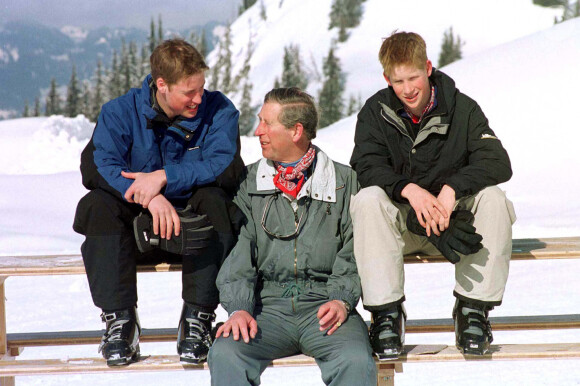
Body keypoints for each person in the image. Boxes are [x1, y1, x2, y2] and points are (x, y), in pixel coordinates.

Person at [72, 39, 244, 366]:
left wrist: (164, 177)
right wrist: (149, 196)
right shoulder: (119, 112)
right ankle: (120, 322)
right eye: (188, 92)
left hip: (197, 231)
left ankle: (198, 319)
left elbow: (226, 165)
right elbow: (97, 166)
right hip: (134, 231)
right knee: (97, 205)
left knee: (216, 200)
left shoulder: (219, 109)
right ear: (161, 85)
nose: (198, 98)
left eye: (201, 89)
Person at [349, 31, 516, 358]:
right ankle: (386, 315)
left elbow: (497, 161)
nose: (408, 88)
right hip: (401, 229)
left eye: (413, 77)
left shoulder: (463, 108)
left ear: (427, 67)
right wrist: (410, 192)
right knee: (367, 200)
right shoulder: (375, 112)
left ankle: (472, 310)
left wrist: (451, 191)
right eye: (398, 81)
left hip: (456, 225)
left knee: (494, 198)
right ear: (387, 79)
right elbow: (365, 166)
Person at [208, 87, 376, 385]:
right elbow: (238, 253)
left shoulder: (343, 182)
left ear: (296, 131)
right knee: (225, 354)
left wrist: (341, 300)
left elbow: (354, 250)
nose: (258, 131)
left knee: (355, 360)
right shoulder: (247, 184)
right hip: (265, 310)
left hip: (326, 308)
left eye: (267, 123)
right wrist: (239, 308)